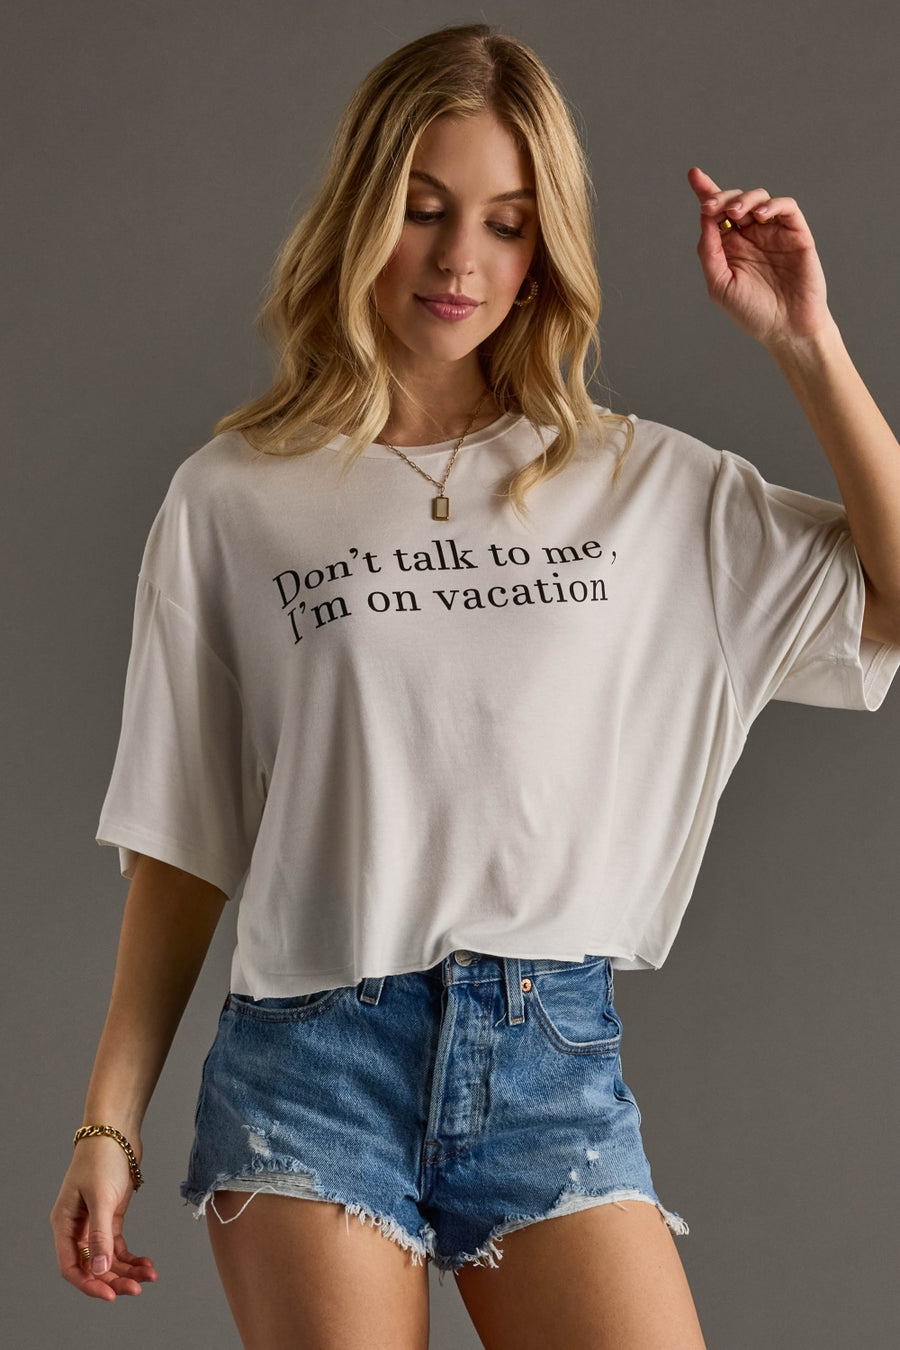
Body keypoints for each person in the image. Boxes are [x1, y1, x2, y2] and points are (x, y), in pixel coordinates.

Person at [50, 22, 900, 1350]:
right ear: (358, 212)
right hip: (313, 1057)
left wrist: (807, 342)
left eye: (507, 223)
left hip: (548, 1058)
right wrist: (108, 1120)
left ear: (544, 247)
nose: (462, 262)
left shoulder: (635, 485)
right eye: (424, 210)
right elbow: (184, 841)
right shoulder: (231, 500)